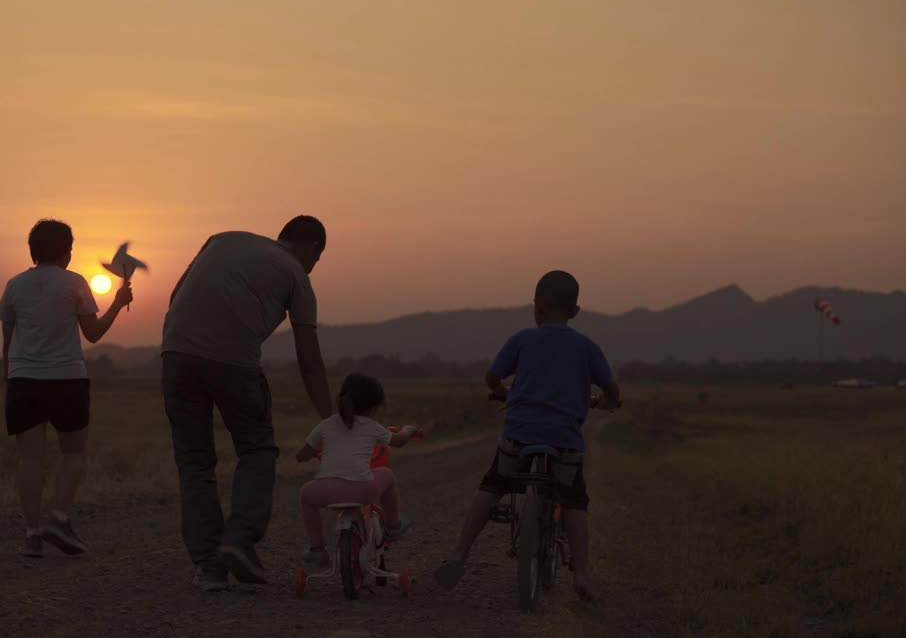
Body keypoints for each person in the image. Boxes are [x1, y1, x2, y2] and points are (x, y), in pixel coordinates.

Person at [161, 216, 333, 591]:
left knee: (193, 462)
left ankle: (208, 566)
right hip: (233, 363)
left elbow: (176, 295)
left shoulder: (222, 238)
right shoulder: (297, 276)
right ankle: (239, 540)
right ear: (314, 251)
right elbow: (309, 360)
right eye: (317, 260)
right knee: (257, 449)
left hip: (175, 353)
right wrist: (331, 420)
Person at [434, 270, 620, 600]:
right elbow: (611, 389)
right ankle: (582, 572)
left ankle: (459, 553)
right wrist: (606, 403)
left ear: (535, 306)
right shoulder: (586, 347)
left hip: (519, 436)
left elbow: (492, 378)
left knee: (493, 485)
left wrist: (504, 392)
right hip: (564, 441)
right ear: (575, 311)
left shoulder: (521, 340)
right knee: (575, 500)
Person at [0, 219, 133, 558]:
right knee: (72, 453)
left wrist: (9, 378)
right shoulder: (75, 283)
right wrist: (118, 302)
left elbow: (7, 341)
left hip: (23, 380)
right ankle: (59, 517)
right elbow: (94, 334)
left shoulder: (14, 285)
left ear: (33, 251)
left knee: (29, 458)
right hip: (67, 379)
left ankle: (31, 535)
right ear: (67, 251)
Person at [294, 373, 418, 567]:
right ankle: (393, 525)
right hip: (363, 490)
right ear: (374, 406)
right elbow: (399, 441)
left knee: (305, 495)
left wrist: (308, 454)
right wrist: (409, 429)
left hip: (326, 491)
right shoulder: (372, 426)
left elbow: (303, 454)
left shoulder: (326, 424)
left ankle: (317, 548)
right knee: (388, 475)